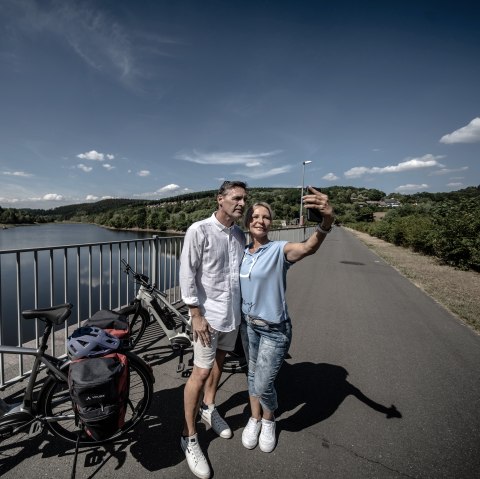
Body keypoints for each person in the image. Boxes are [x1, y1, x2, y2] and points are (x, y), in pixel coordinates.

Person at [239, 185, 334, 453]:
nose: (260, 220)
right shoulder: (243, 254)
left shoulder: (279, 250)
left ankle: (269, 420)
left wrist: (326, 221)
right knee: (252, 374)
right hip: (249, 326)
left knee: (263, 382)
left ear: (271, 223)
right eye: (255, 216)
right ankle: (254, 417)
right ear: (248, 222)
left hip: (274, 330)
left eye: (266, 217)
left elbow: (309, 247)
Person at [179, 180, 248, 479]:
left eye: (245, 199)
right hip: (207, 317)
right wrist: (194, 312)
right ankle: (189, 436)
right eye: (236, 198)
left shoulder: (239, 234)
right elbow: (187, 272)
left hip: (231, 315)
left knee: (219, 362)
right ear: (220, 199)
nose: (242, 204)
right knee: (201, 371)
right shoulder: (200, 230)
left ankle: (209, 407)